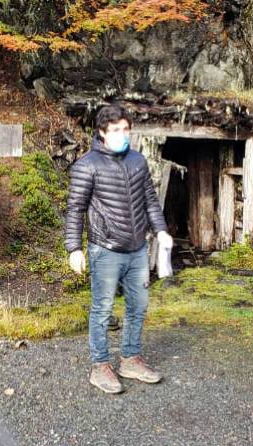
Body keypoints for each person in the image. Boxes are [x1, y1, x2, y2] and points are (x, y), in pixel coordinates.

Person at [64, 104, 174, 395]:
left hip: (138, 248)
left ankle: (130, 359)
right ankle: (100, 366)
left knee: (138, 306)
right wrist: (74, 248)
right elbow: (75, 208)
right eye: (115, 130)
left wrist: (161, 230)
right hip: (106, 248)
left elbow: (150, 200)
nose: (122, 135)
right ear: (102, 132)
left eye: (126, 129)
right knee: (102, 309)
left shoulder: (138, 161)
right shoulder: (87, 165)